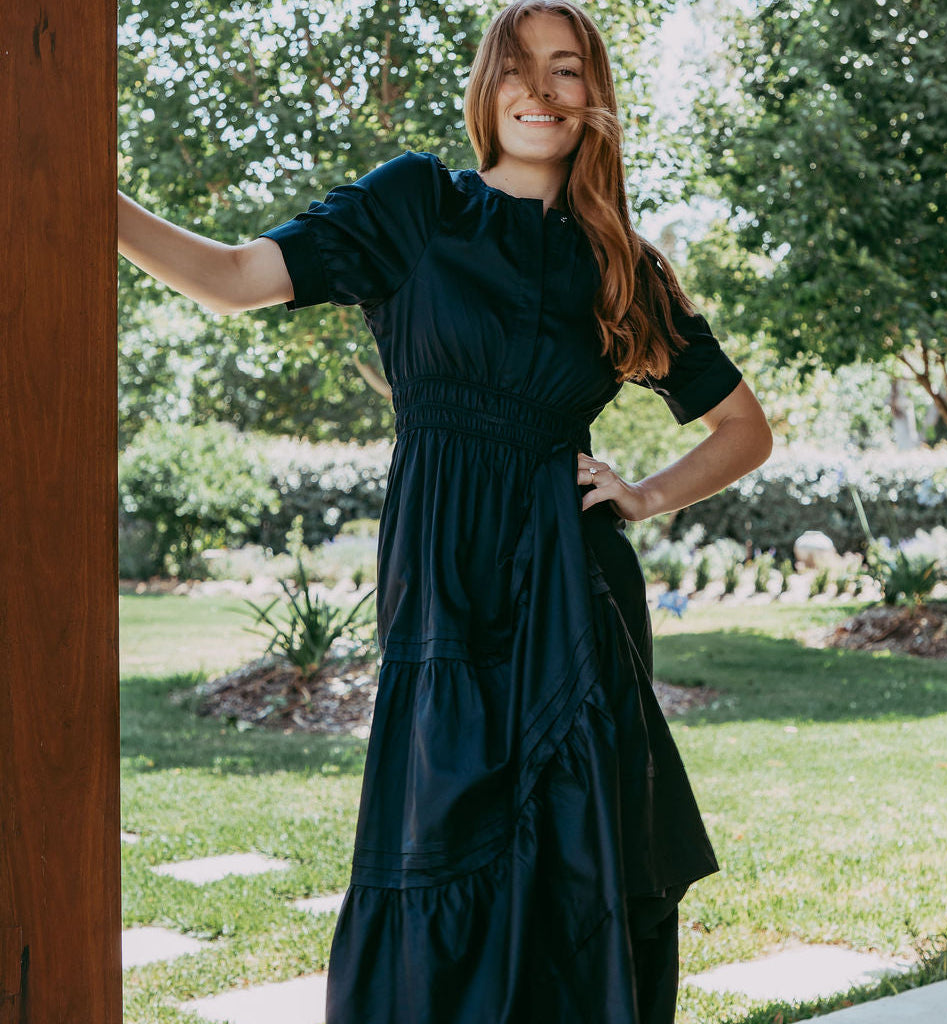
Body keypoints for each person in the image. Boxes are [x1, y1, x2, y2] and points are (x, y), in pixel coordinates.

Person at [118, 1, 773, 1019]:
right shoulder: (418, 205)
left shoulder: (621, 266)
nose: (540, 90)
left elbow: (742, 426)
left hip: (572, 593)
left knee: (570, 854)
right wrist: (92, 200)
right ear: (486, 88)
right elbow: (236, 278)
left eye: (565, 69)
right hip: (441, 588)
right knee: (437, 834)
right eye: (517, 67)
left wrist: (641, 494)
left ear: (592, 97)